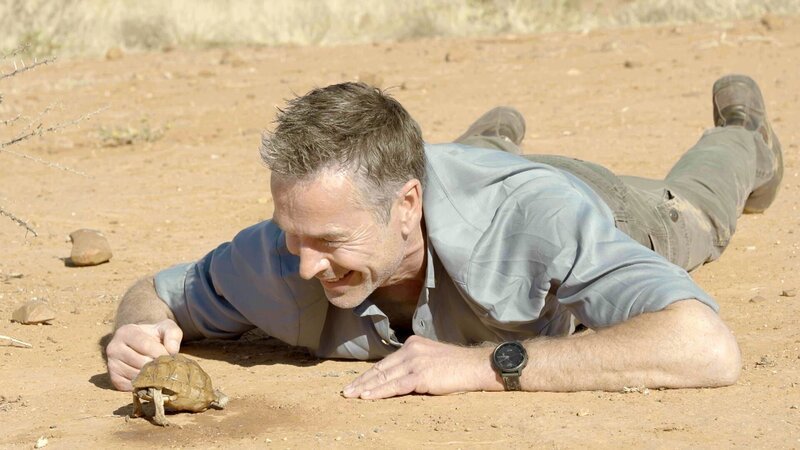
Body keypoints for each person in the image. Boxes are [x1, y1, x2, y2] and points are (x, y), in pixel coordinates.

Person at [106, 75, 782, 399]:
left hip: (599, 202)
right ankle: (489, 139)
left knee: (697, 210)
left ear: (408, 205)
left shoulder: (539, 222)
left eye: (330, 242)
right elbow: (156, 291)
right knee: (461, 164)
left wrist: (485, 364)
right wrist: (138, 327)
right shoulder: (285, 250)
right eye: (293, 236)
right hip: (447, 182)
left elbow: (705, 347)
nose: (306, 266)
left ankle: (745, 138)